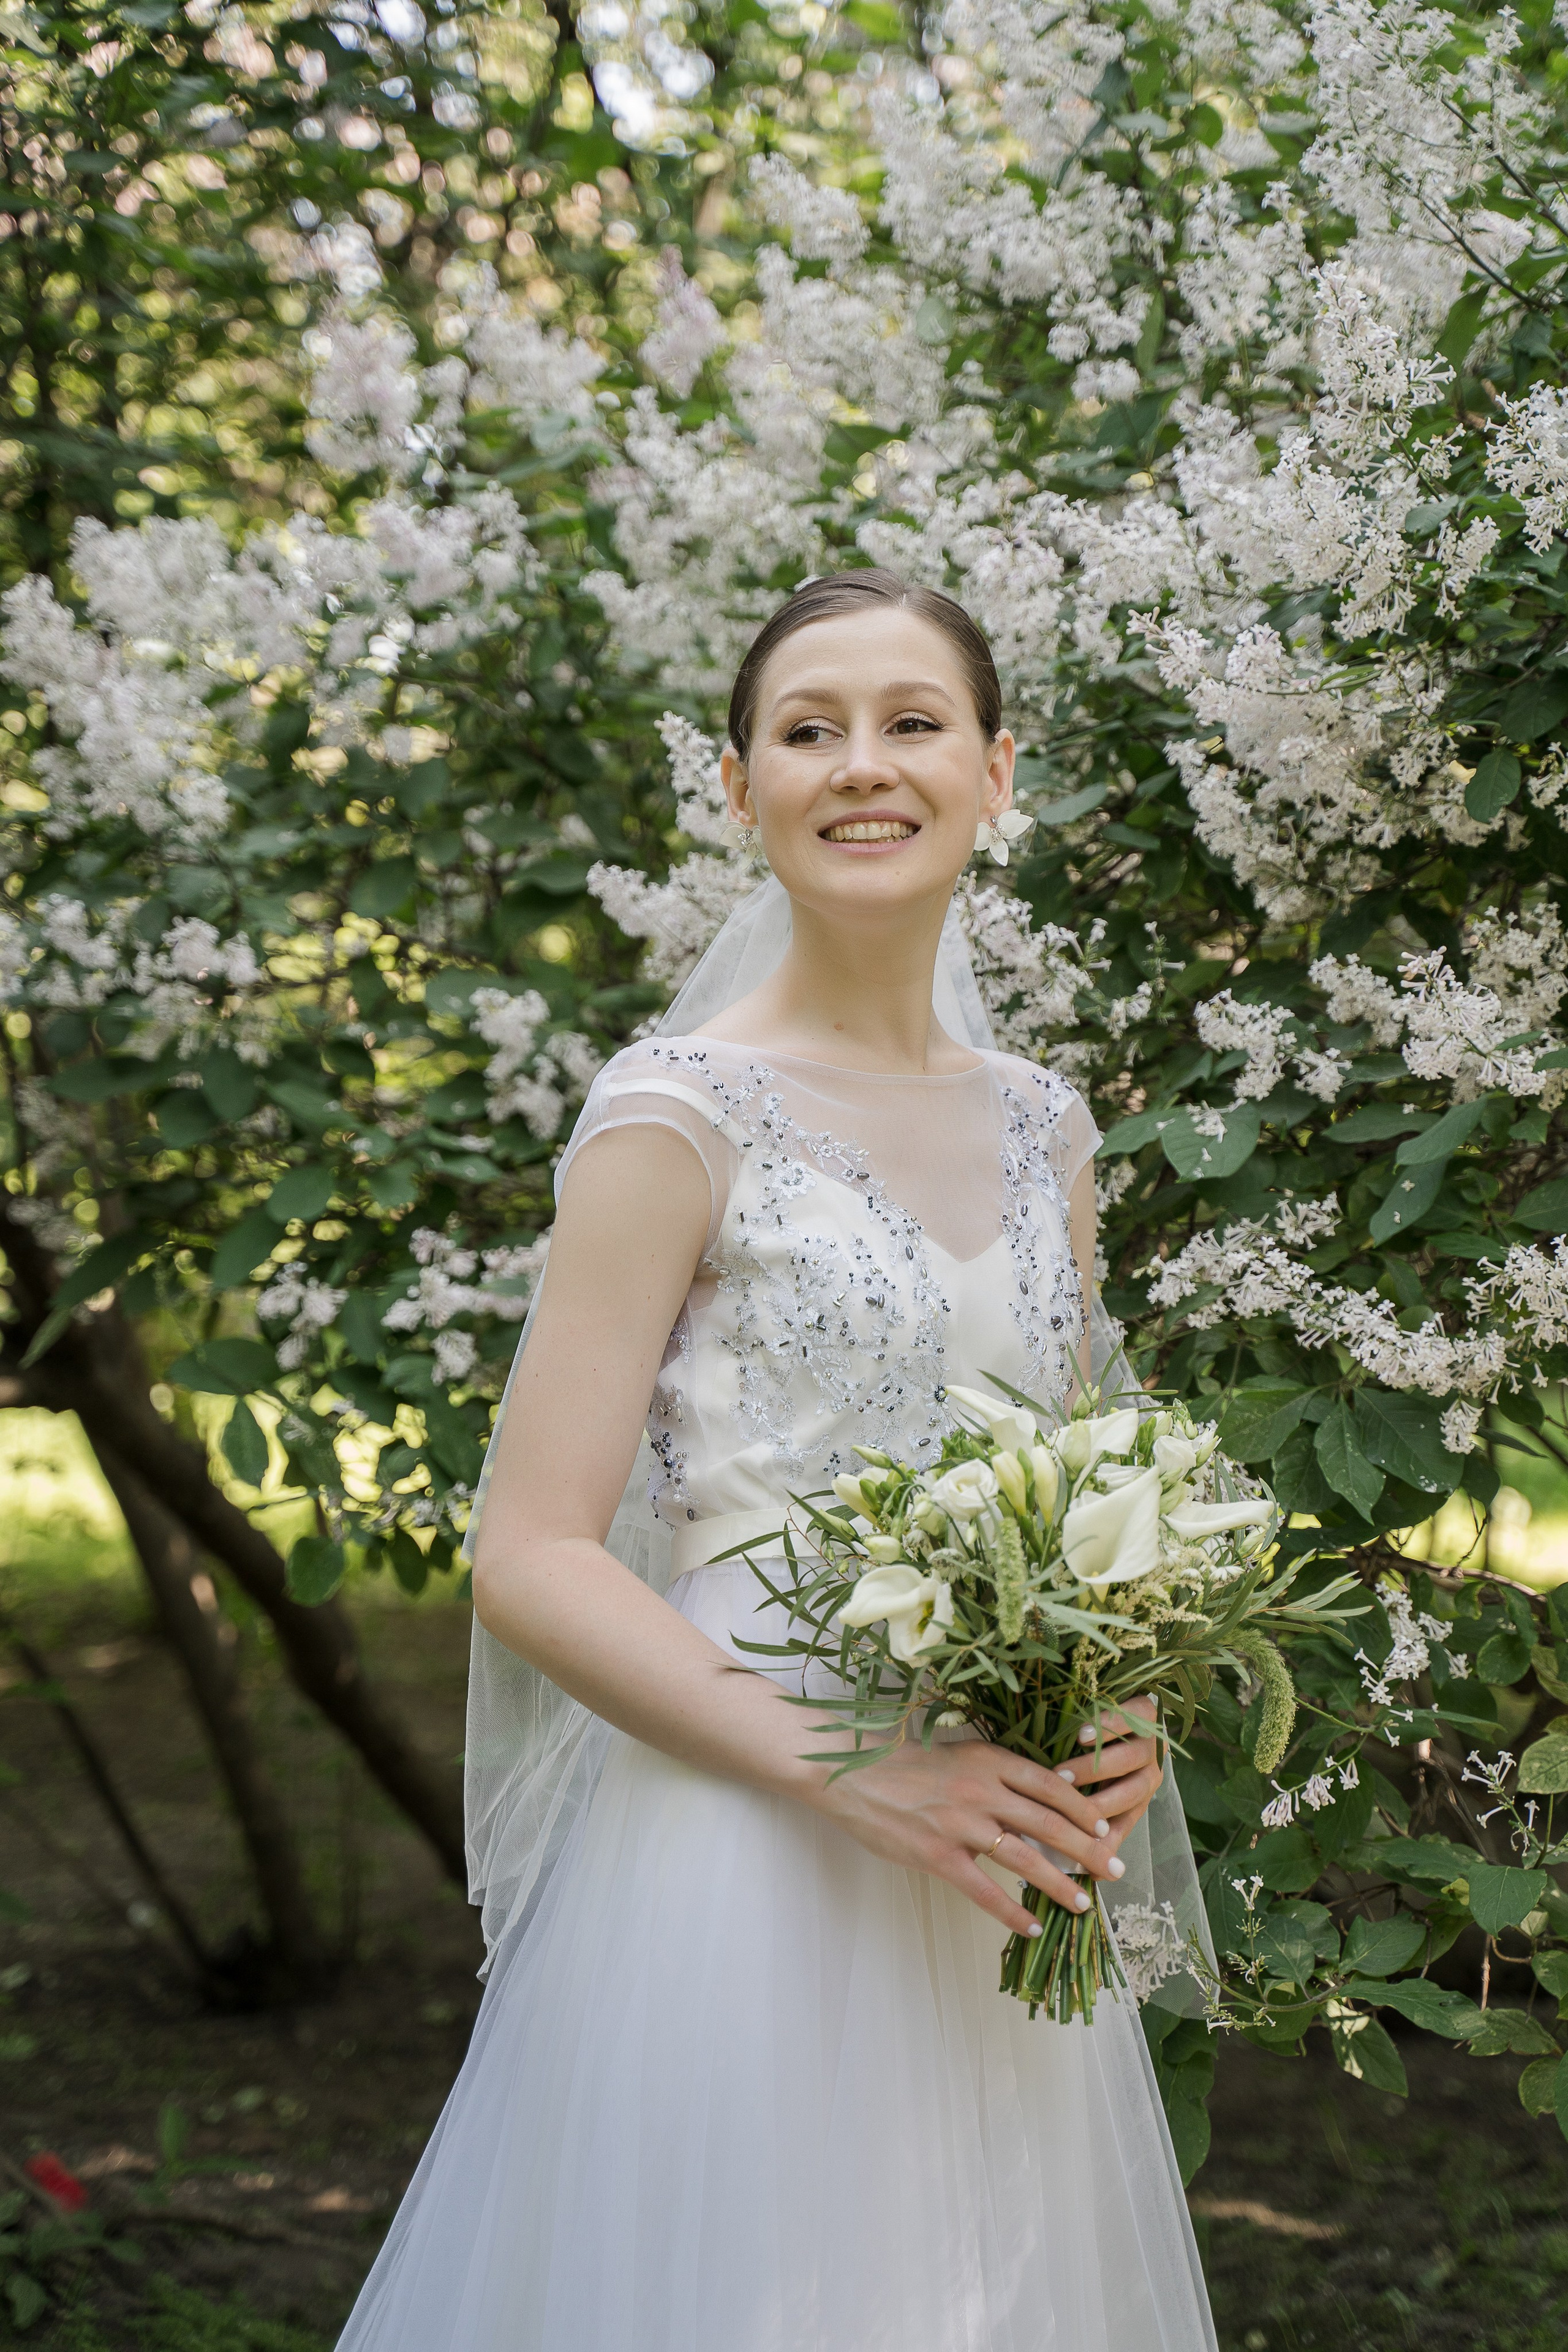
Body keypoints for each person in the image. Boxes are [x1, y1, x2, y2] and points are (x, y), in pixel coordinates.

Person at [336, 570, 1217, 2351]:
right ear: (743, 789)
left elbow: (1077, 1498)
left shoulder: (1045, 1127)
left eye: (914, 722)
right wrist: (857, 1768)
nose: (863, 764)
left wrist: (1119, 1698)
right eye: (810, 731)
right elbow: (531, 1554)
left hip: (991, 1849)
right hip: (741, 1844)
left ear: (997, 772)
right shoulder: (675, 1114)